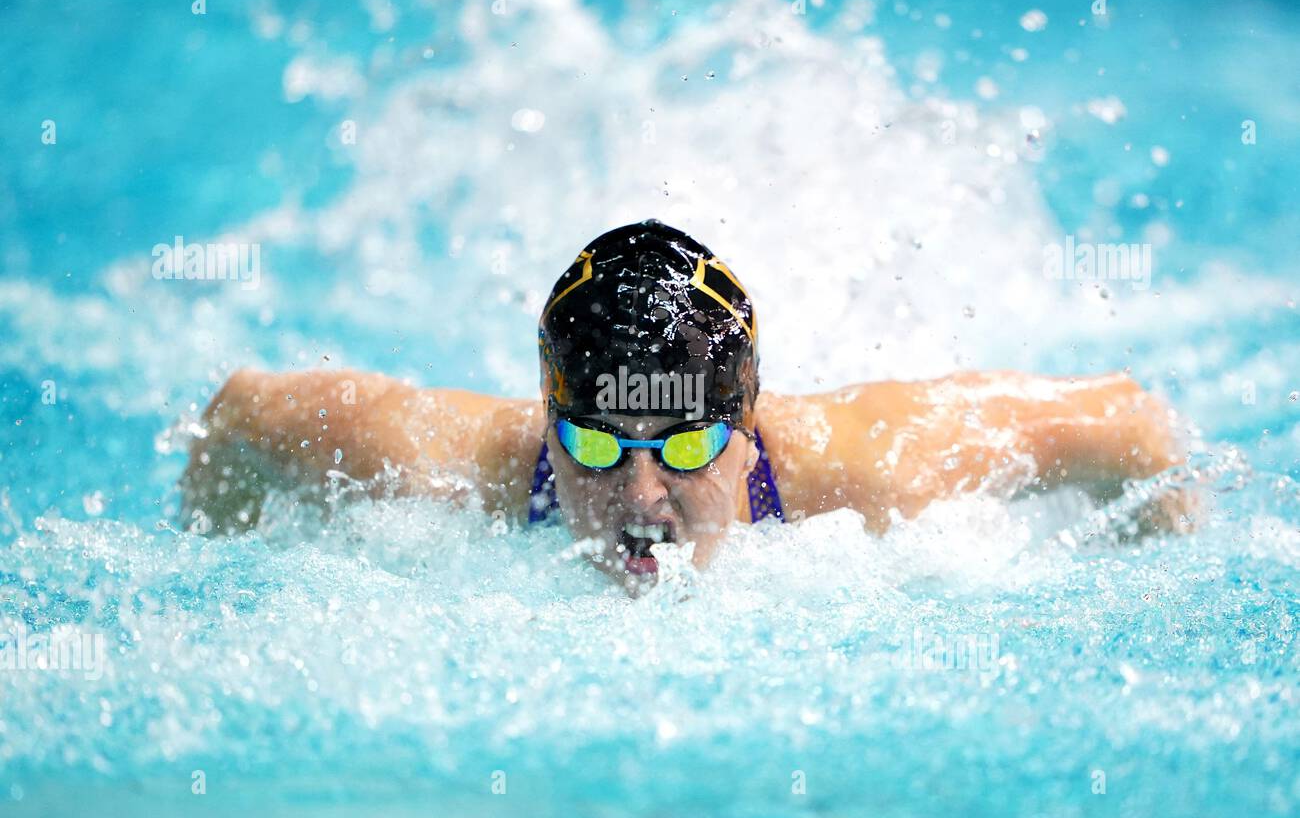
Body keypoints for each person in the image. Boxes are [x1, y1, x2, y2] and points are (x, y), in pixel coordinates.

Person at [182, 220, 1190, 584]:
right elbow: (236, 415)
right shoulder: (436, 465)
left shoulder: (879, 470)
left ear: (746, 419)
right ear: (545, 408)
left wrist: (1150, 582)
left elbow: (1135, 422)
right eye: (592, 439)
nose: (642, 496)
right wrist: (224, 569)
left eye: (686, 443)